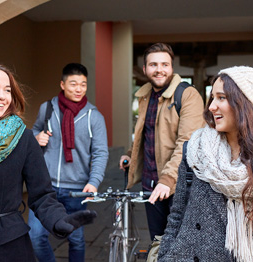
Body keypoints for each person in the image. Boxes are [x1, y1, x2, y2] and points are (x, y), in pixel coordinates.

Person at [0, 63, 97, 262]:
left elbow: (41, 196)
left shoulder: (23, 138)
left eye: (7, 90)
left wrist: (59, 220)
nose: (1, 95)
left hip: (9, 245)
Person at [158, 66, 253, 262]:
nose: (211, 106)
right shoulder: (196, 149)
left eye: (222, 98)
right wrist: (164, 255)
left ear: (244, 102)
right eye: (212, 98)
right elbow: (177, 214)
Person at [119, 43, 205, 240]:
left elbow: (187, 143)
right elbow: (145, 132)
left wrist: (167, 179)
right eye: (153, 65)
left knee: (181, 244)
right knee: (157, 243)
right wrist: (130, 154)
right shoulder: (145, 96)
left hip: (180, 184)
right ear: (145, 69)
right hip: (151, 185)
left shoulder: (187, 95)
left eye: (165, 64)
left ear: (172, 68)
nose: (159, 70)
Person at [28, 63, 108, 262]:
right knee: (36, 236)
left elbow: (100, 153)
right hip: (45, 188)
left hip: (76, 189)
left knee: (76, 239)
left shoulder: (94, 117)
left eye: (83, 84)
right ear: (62, 84)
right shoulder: (47, 108)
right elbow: (33, 132)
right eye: (73, 84)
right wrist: (36, 137)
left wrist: (94, 182)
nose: (79, 89)